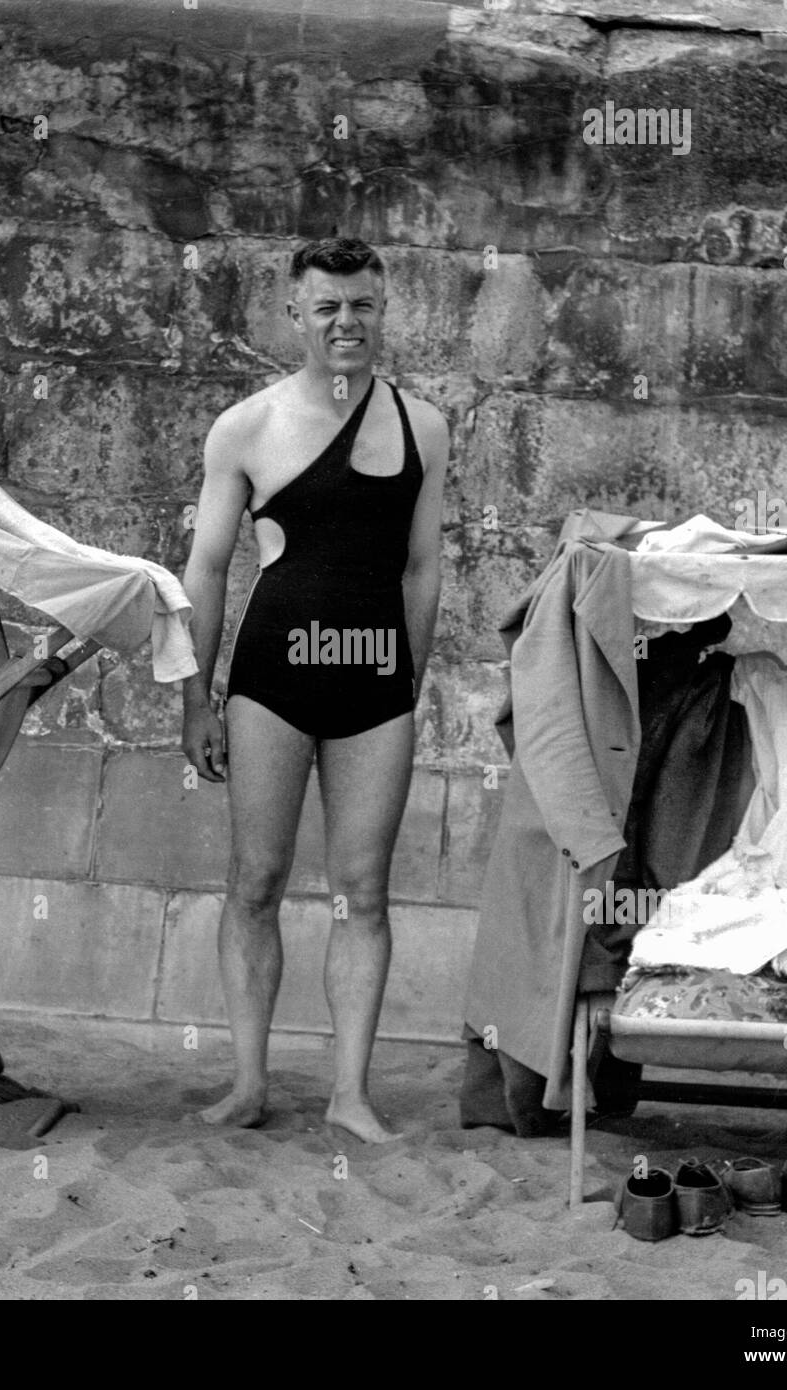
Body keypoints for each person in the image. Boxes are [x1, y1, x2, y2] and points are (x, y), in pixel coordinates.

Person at [181, 236, 448, 1143]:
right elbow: (208, 570)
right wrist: (196, 696)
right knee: (254, 880)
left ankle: (349, 1095)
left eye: (362, 305)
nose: (346, 322)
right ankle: (249, 1081)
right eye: (327, 306)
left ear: (384, 310)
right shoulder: (245, 428)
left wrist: (407, 681)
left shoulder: (425, 427)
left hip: (376, 684)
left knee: (363, 890)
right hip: (271, 682)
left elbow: (421, 569)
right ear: (294, 314)